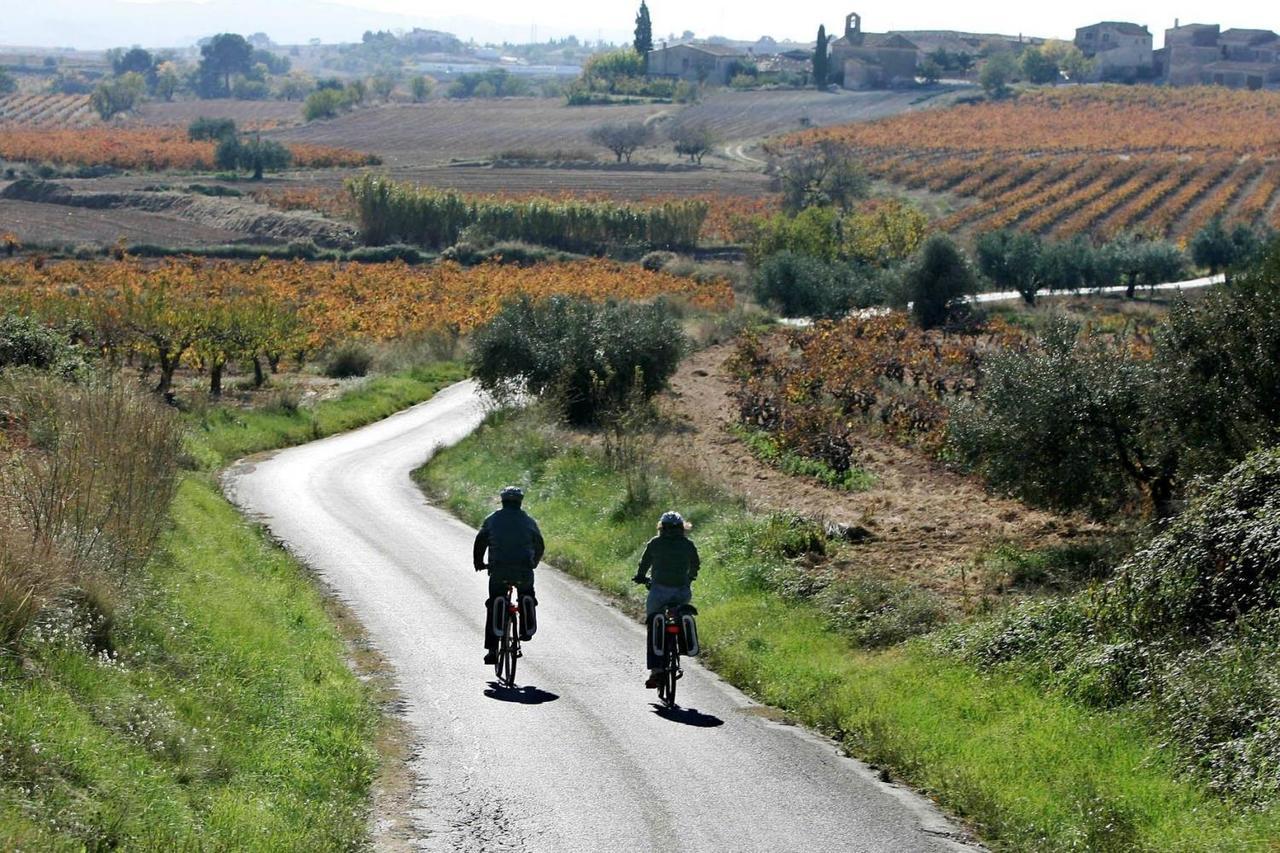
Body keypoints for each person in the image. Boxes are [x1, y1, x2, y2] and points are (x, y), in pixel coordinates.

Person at [474, 486, 544, 665]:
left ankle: (491, 651)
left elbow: (480, 541)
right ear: (520, 502)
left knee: (493, 604)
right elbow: (540, 545)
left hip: (499, 570)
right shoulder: (529, 521)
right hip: (523, 571)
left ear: (502, 500)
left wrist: (479, 563)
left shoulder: (492, 519)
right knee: (526, 593)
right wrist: (533, 563)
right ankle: (525, 629)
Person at [632, 510, 699, 689]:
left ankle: (656, 671)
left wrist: (640, 576)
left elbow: (644, 563)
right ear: (682, 528)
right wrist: (689, 578)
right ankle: (680, 644)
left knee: (653, 624)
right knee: (680, 614)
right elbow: (695, 564)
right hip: (682, 592)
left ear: (661, 527)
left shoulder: (655, 543)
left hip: (659, 592)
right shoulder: (688, 544)